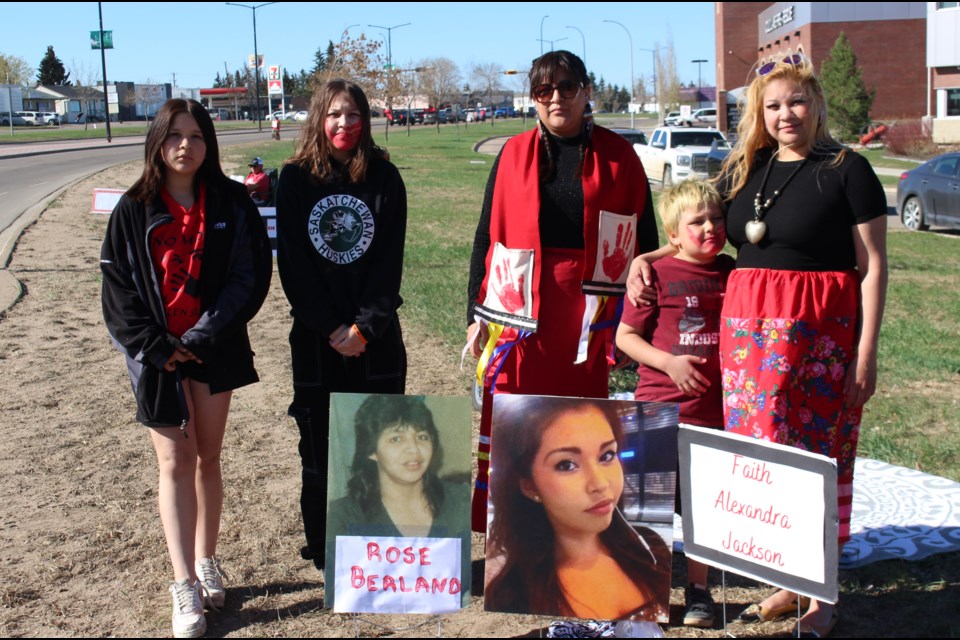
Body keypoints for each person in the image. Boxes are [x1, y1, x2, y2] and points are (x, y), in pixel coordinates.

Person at [627, 52, 887, 638]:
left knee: (816, 458)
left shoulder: (849, 169)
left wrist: (866, 353)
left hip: (818, 332)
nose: (785, 114)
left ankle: (823, 597)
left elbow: (872, 268)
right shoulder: (746, 168)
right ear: (758, 112)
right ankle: (789, 580)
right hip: (748, 338)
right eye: (772, 105)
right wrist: (648, 256)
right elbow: (699, 226)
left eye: (796, 101)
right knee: (766, 459)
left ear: (816, 103)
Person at [100, 98, 272, 638]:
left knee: (209, 456)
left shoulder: (232, 202)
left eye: (196, 136)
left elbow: (249, 276)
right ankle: (183, 584)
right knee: (176, 459)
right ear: (157, 141)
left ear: (209, 143)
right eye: (174, 135)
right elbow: (118, 290)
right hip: (155, 356)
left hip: (213, 348)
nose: (185, 145)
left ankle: (206, 559)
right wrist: (156, 345)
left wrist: (201, 335)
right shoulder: (131, 209)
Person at [466, 50, 659, 531]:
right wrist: (474, 313)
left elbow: (646, 244)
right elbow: (485, 237)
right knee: (517, 415)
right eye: (544, 90)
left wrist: (640, 323)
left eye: (567, 87)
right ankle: (512, 529)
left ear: (586, 91)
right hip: (519, 314)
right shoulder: (512, 154)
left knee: (579, 424)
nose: (556, 98)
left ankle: (576, 525)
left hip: (590, 316)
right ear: (533, 97)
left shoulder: (621, 157)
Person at [276, 79, 408, 572]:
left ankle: (380, 544)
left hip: (376, 339)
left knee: (380, 444)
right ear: (318, 118)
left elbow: (388, 263)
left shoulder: (384, 179)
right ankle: (328, 549)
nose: (344, 124)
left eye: (353, 115)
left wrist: (364, 329)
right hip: (316, 341)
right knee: (321, 450)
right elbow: (293, 265)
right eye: (334, 114)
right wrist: (332, 328)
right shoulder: (292, 180)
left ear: (365, 121)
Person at [615, 179, 734, 628]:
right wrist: (669, 364)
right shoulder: (653, 278)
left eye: (716, 219)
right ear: (674, 234)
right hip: (658, 409)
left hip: (714, 413)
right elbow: (626, 337)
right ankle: (647, 592)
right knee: (650, 505)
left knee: (703, 506)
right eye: (697, 222)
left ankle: (700, 591)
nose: (709, 228)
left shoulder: (732, 272)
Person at [484, 396, 671, 620]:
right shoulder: (511, 595)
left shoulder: (650, 549)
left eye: (607, 455)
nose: (600, 483)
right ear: (529, 485)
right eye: (567, 465)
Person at [324, 395, 470, 608]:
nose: (413, 450)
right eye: (396, 439)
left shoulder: (460, 501)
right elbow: (340, 592)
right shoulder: (346, 515)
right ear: (371, 450)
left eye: (421, 437)